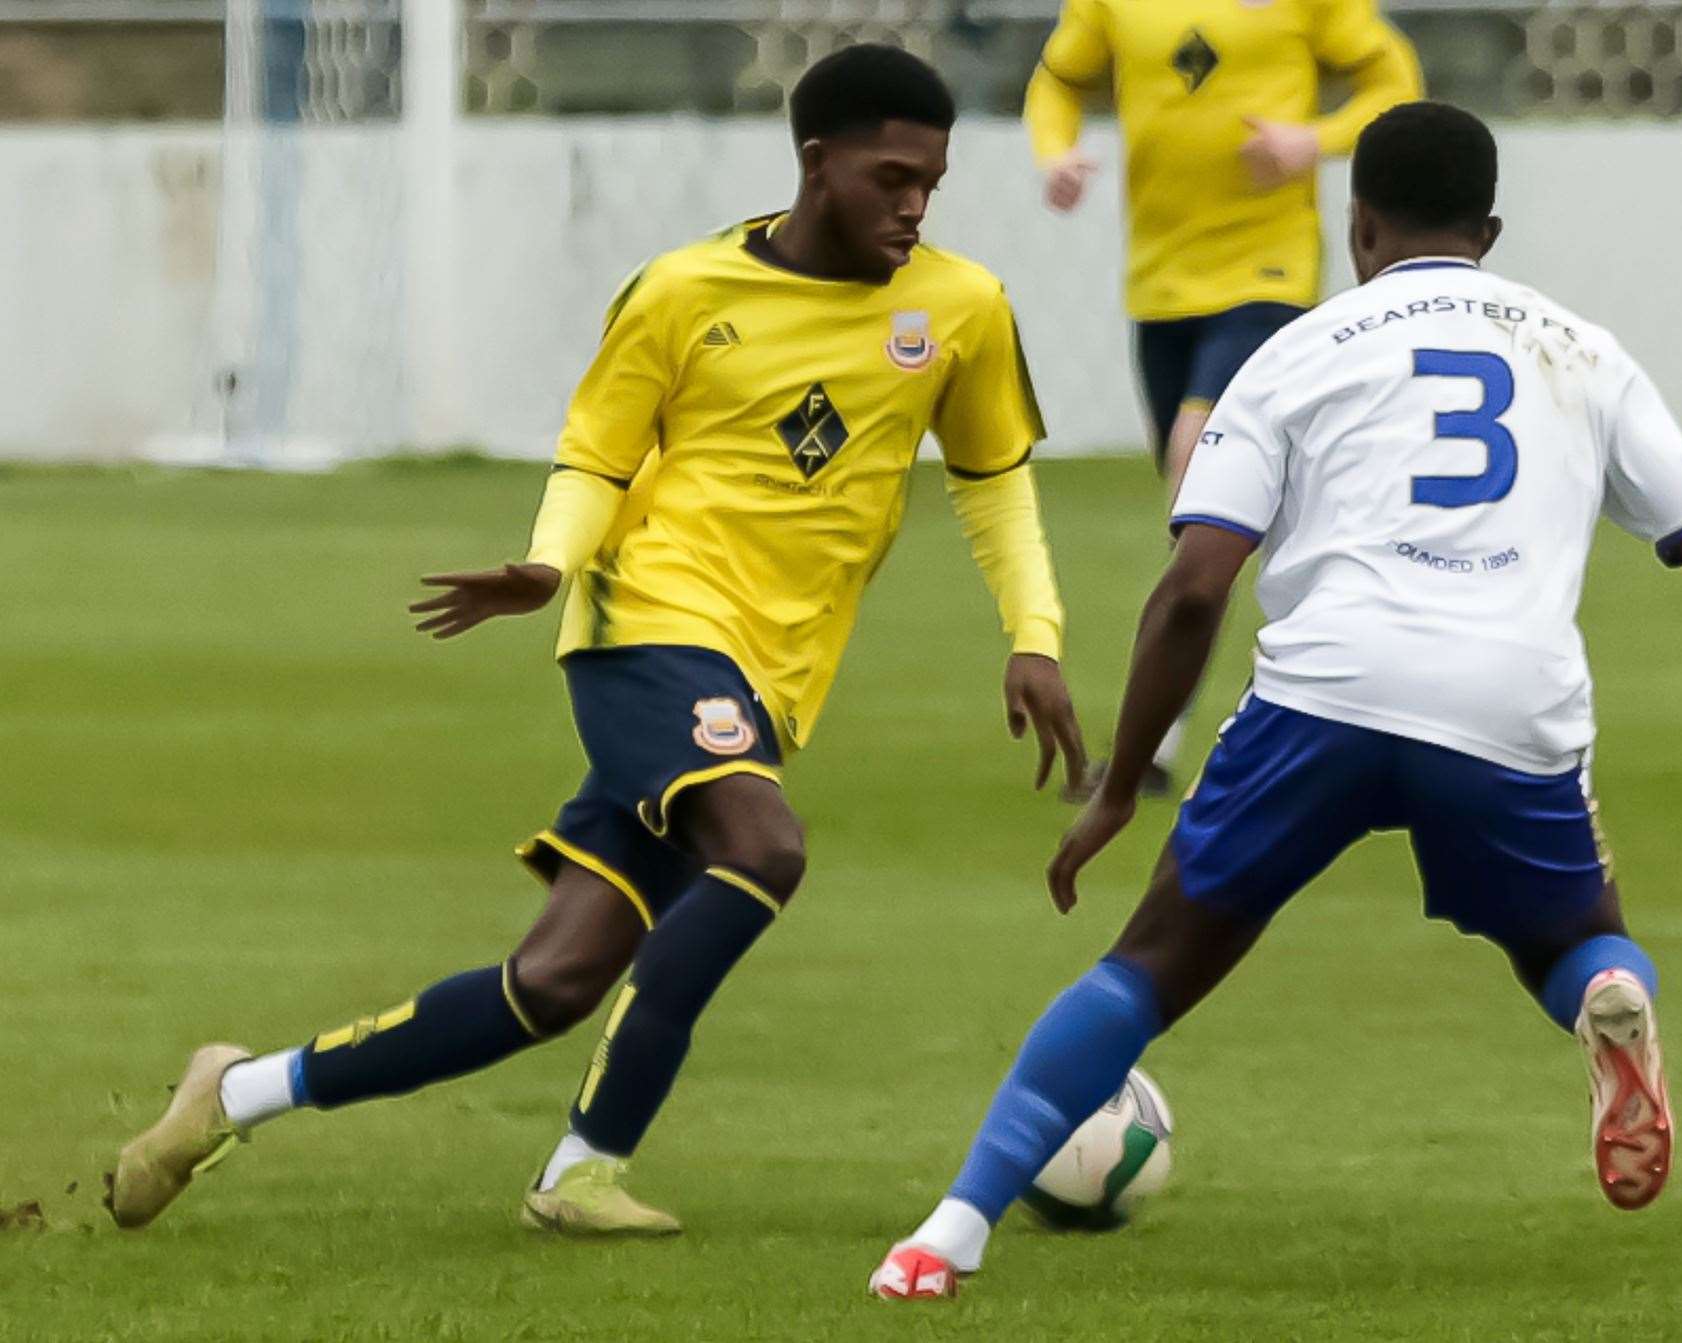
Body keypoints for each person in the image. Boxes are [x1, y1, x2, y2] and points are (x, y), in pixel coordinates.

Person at [108, 44, 1088, 1238]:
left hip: (772, 678)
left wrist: (1032, 637)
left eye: (932, 180)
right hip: (647, 626)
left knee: (553, 982)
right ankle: (586, 1162)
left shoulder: (962, 308)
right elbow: (599, 453)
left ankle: (234, 1090)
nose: (914, 204)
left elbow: (994, 486)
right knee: (764, 846)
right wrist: (549, 561)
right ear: (816, 163)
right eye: (891, 177)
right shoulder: (681, 293)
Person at [870, 101, 1682, 1300]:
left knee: (1148, 965)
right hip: (1508, 702)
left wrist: (1119, 783)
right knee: (1572, 932)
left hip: (1326, 694)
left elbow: (1191, 589)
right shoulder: (1580, 350)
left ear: (1355, 221)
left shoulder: (1298, 350)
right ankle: (1602, 998)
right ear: (1489, 227)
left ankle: (947, 1231)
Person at [1026, 0, 1421, 794]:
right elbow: (1056, 78)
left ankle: (1164, 747)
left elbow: (1394, 80)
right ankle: (1342, 699)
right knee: (1225, 520)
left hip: (1266, 275)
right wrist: (1055, 154)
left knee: (1197, 474)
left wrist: (1315, 139)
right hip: (1160, 286)